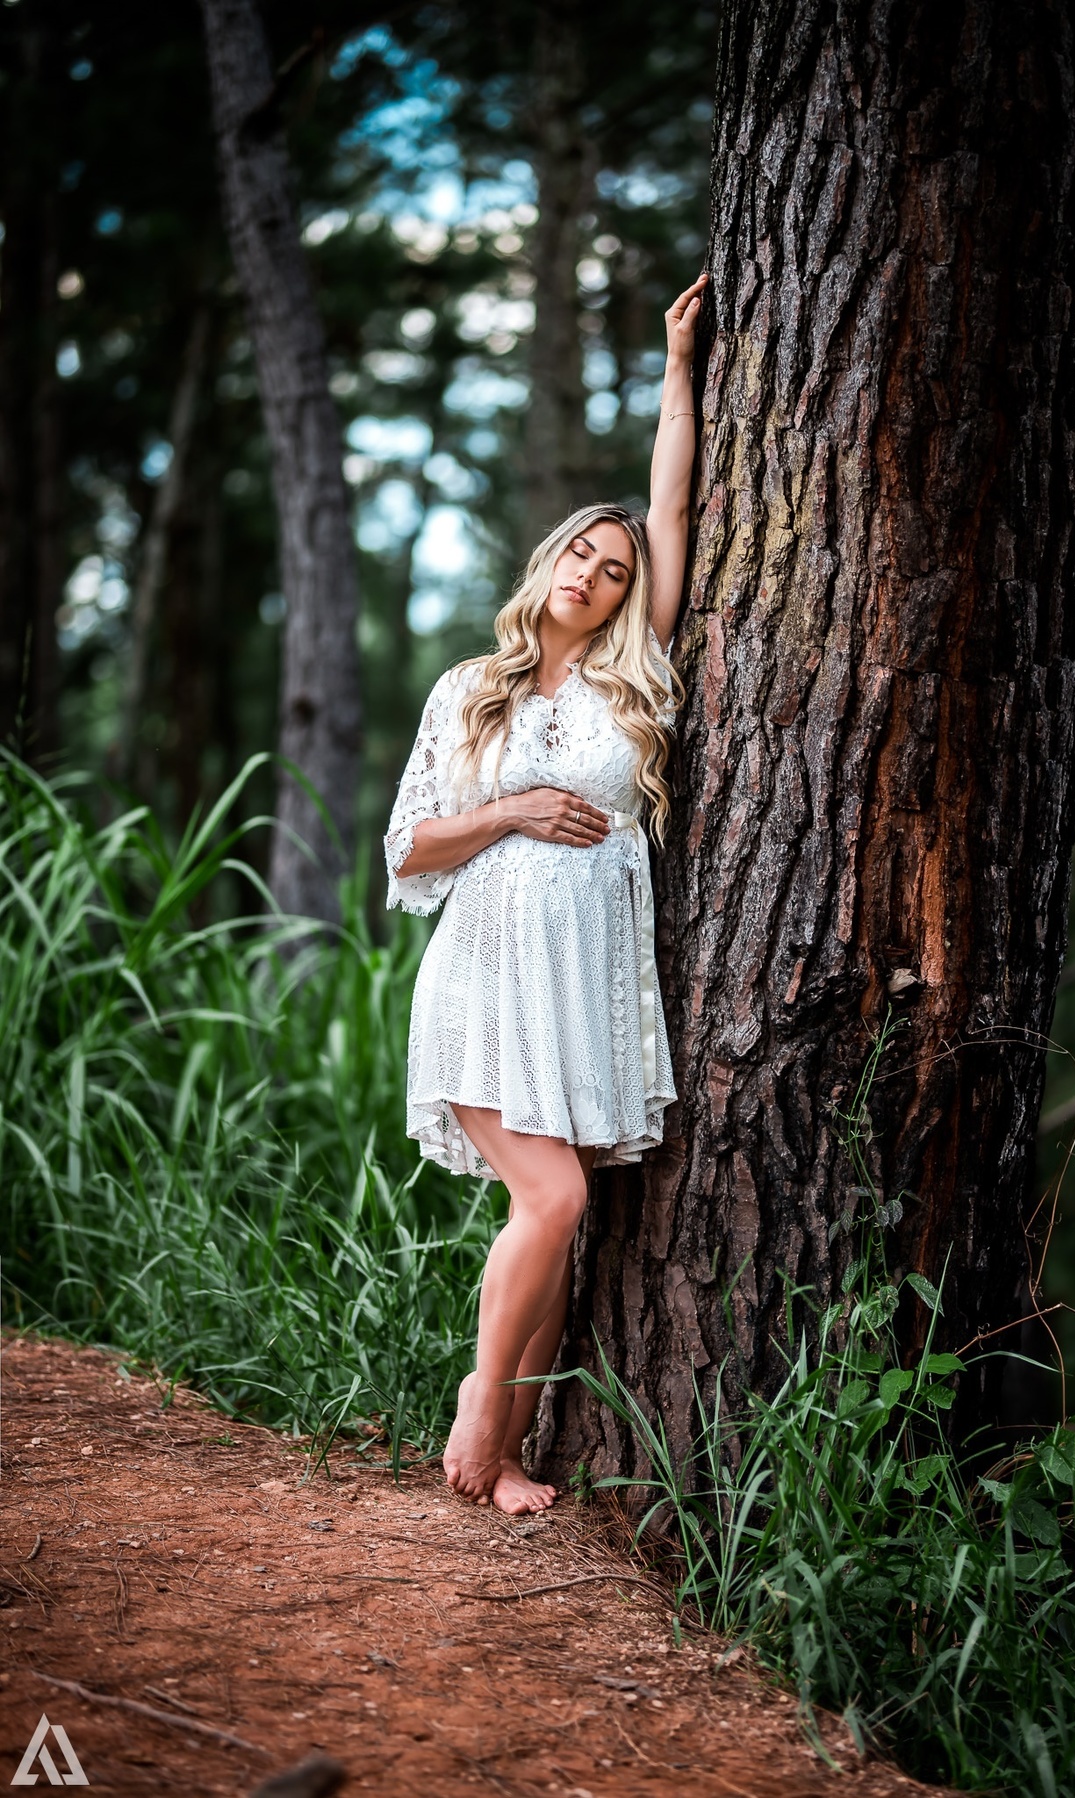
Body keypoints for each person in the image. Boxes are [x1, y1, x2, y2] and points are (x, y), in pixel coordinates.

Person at [384, 274, 706, 1514]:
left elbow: (670, 502)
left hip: (582, 988)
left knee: (559, 1227)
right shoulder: (472, 688)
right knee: (557, 1195)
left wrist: (677, 368)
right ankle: (478, 1407)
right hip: (483, 975)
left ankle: (509, 1458)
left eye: (616, 569)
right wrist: (512, 809)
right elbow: (410, 848)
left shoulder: (638, 679)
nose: (595, 572)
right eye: (581, 550)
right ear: (548, 559)